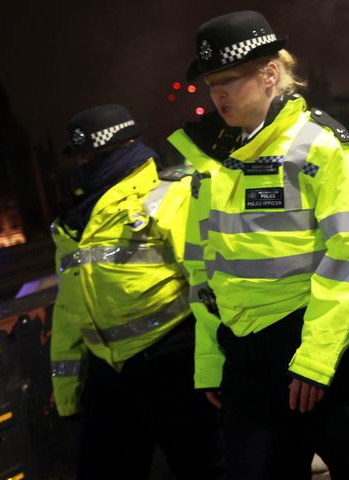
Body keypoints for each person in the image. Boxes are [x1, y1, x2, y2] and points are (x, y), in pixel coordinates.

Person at [167, 10, 349, 479]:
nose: (218, 95)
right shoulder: (213, 163)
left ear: (271, 74)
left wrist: (315, 360)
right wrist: (212, 361)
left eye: (229, 80)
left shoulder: (325, 146)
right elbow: (205, 271)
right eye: (212, 84)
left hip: (327, 352)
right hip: (248, 362)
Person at [50, 104, 223, 479]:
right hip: (106, 373)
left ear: (128, 145)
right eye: (83, 158)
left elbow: (208, 285)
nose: (87, 164)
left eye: (96, 156)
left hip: (174, 359)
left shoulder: (168, 196)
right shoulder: (73, 221)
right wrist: (67, 389)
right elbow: (68, 309)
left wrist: (216, 368)